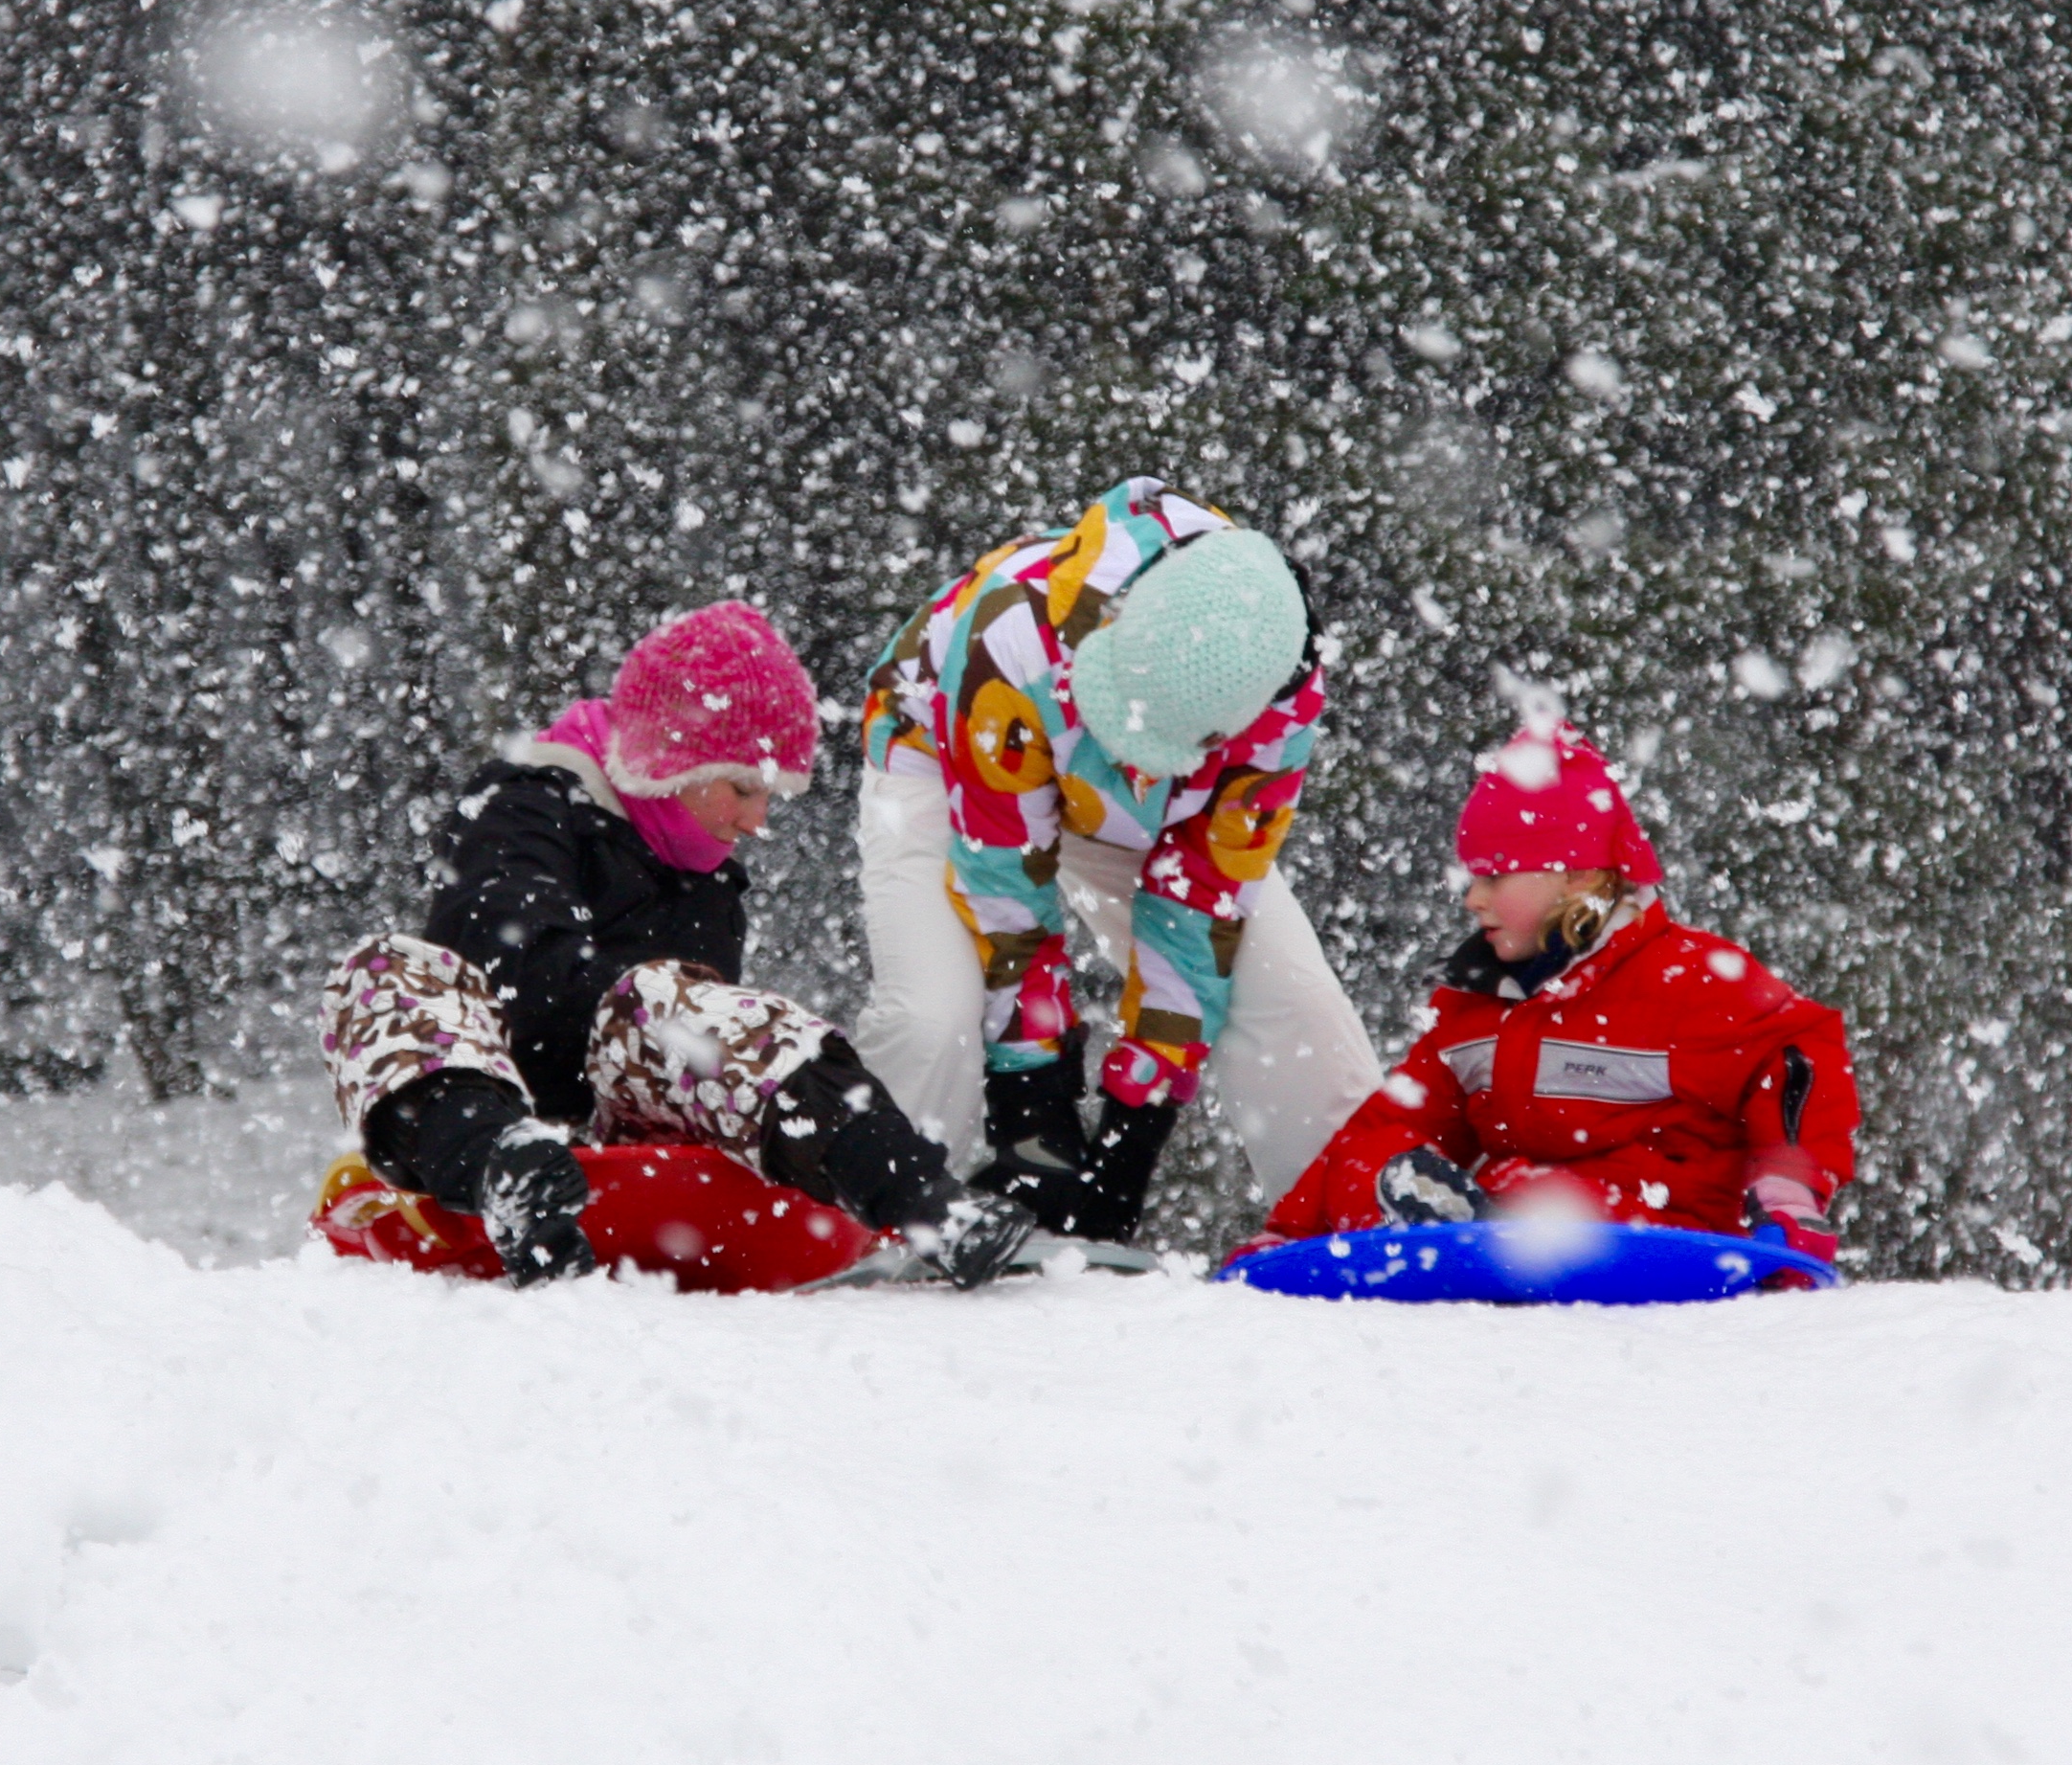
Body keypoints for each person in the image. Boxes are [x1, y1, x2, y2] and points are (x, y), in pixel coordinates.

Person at [315, 601, 1033, 1287]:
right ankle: (509, 1174)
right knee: (383, 967)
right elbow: (518, 973)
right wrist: (643, 1005)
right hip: (484, 1121)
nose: (756, 821)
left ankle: (920, 1198)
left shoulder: (707, 886)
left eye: (769, 797)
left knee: (690, 1010)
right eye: (742, 788)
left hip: (625, 1145)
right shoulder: (524, 810)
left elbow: (709, 1052)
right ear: (672, 762)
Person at [850, 476, 1382, 1241]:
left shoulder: (1274, 697)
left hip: (1156, 803)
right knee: (933, 1013)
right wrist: (1034, 1109)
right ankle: (867, 1226)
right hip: (950, 750)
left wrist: (1135, 1127)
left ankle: (1353, 1228)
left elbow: (1200, 904)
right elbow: (1003, 887)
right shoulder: (1011, 634)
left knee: (1295, 1004)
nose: (1128, 758)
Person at [1256, 723, 1860, 1262]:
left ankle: (1476, 1228)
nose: (1474, 898)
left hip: (1662, 1222)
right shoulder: (1479, 1008)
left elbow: (1795, 1059)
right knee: (1383, 1155)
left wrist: (1786, 1191)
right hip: (1514, 1215)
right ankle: (1439, 1222)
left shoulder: (1686, 978)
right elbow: (1389, 1123)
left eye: (1494, 875)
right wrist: (1292, 1232)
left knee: (1556, 1197)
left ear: (1573, 875)